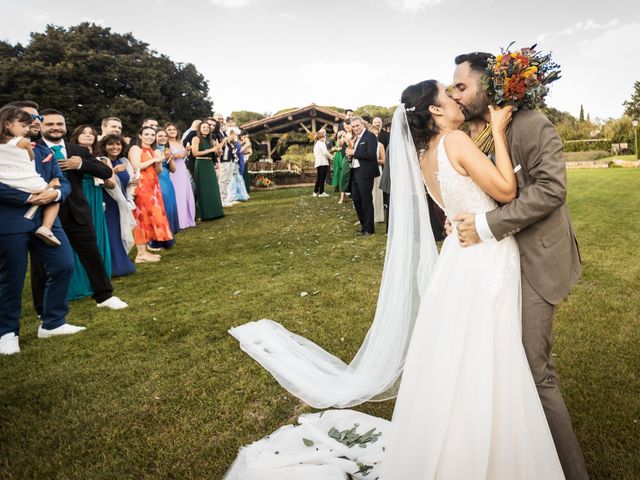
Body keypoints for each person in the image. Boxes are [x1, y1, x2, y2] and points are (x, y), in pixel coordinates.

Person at [226, 80, 567, 479]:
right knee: (490, 349)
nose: (456, 98)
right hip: (486, 258)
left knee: (466, 350)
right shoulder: (455, 141)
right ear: (435, 110)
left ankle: (463, 442)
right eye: (448, 93)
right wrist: (498, 130)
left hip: (458, 259)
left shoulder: (424, 155)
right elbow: (507, 191)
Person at [450, 52, 586, 480]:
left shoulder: (532, 123)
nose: (456, 94)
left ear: (487, 86)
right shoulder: (476, 134)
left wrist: (487, 224)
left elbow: (551, 190)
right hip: (497, 268)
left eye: (461, 86)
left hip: (536, 260)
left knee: (534, 368)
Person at [0, 100, 84, 355]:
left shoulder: (42, 150)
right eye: (30, 118)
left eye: (37, 117)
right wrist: (27, 197)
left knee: (63, 265)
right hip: (10, 221)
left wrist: (55, 196)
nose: (36, 122)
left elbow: (62, 181)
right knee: (11, 278)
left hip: (47, 220)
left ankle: (53, 322)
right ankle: (7, 332)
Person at [32, 109, 127, 310]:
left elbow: (105, 171)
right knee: (41, 262)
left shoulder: (78, 151)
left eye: (60, 123)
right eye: (50, 124)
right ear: (40, 126)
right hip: (44, 213)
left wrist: (81, 164)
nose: (56, 127)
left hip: (77, 211)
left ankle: (104, 296)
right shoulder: (32, 149)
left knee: (91, 254)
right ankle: (42, 307)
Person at [0, 107, 61, 246]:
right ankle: (46, 227)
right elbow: (31, 157)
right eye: (24, 125)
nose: (27, 128)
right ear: (8, 124)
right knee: (53, 193)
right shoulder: (23, 141)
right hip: (26, 181)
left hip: (6, 179)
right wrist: (28, 149)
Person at [64, 124, 113, 300]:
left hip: (95, 195)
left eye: (91, 133)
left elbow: (109, 179)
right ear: (75, 135)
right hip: (76, 197)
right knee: (75, 240)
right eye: (83, 133)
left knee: (95, 238)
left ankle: (99, 281)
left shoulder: (96, 158)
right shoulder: (66, 153)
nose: (88, 135)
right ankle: (77, 283)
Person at [128, 126, 173, 263]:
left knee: (149, 217)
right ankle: (141, 254)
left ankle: (145, 249)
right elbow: (136, 166)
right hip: (141, 187)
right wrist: (154, 160)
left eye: (152, 134)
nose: (150, 136)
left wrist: (159, 161)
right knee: (140, 218)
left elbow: (157, 171)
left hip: (153, 188)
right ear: (140, 135)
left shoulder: (152, 151)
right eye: (146, 134)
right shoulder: (136, 149)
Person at [96, 134, 137, 277]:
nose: (115, 147)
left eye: (118, 144)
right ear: (104, 146)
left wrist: (132, 183)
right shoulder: (101, 161)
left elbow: (126, 181)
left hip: (121, 202)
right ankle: (113, 267)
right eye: (111, 144)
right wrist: (114, 171)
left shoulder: (123, 161)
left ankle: (122, 263)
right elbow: (99, 179)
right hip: (107, 202)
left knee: (119, 231)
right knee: (111, 232)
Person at [346, 116, 379, 235]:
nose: (355, 128)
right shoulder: (356, 138)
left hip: (365, 173)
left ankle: (369, 229)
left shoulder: (370, 136)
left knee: (366, 201)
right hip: (355, 172)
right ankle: (363, 226)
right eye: (353, 126)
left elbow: (371, 155)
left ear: (363, 124)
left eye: (357, 125)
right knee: (356, 199)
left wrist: (354, 152)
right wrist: (350, 156)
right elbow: (358, 155)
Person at [149, 128, 179, 249]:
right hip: (157, 178)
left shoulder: (167, 150)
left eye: (164, 136)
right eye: (159, 136)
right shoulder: (152, 151)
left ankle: (168, 238)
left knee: (170, 208)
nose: (163, 138)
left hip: (167, 179)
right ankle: (157, 241)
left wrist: (170, 157)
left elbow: (173, 169)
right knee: (162, 209)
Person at [191, 120, 224, 220]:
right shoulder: (196, 139)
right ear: (199, 129)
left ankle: (216, 212)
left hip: (209, 164)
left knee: (213, 188)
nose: (206, 129)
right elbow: (195, 153)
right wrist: (211, 150)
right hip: (201, 164)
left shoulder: (211, 140)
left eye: (207, 128)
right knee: (203, 189)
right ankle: (206, 214)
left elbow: (215, 154)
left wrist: (219, 152)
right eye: (203, 127)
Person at [166, 123, 196, 229]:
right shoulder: (166, 143)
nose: (172, 131)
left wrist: (186, 152)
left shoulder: (179, 142)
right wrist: (179, 155)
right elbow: (168, 157)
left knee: (185, 192)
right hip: (174, 171)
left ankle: (188, 219)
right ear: (166, 132)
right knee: (178, 194)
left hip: (183, 169)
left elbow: (183, 154)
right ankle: (179, 221)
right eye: (169, 129)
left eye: (174, 129)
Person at [224, 129, 250, 204]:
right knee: (232, 181)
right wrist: (247, 144)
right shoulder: (228, 143)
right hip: (230, 163)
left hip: (236, 163)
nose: (235, 136)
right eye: (234, 134)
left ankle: (240, 196)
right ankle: (232, 196)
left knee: (238, 180)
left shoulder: (236, 143)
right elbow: (237, 151)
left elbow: (239, 151)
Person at [369, 124, 386, 224]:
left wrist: (373, 160)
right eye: (372, 133)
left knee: (376, 194)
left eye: (376, 133)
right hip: (366, 171)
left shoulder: (380, 145)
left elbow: (384, 161)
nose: (374, 135)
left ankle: (378, 216)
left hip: (377, 170)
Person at [312, 129, 332, 197]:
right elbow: (325, 153)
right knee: (322, 178)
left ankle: (315, 192)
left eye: (323, 137)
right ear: (319, 138)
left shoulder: (316, 144)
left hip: (318, 163)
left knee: (319, 178)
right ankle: (321, 192)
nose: (323, 138)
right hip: (323, 163)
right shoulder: (321, 143)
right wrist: (332, 157)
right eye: (322, 137)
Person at [331, 131, 348, 204]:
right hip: (338, 157)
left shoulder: (346, 139)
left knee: (342, 174)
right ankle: (340, 191)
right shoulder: (336, 140)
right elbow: (336, 146)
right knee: (338, 173)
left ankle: (344, 193)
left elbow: (342, 146)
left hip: (343, 157)